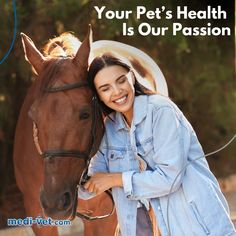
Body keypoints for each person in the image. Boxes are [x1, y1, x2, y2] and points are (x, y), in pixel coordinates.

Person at [78, 53, 236, 236]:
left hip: (193, 224)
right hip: (141, 227)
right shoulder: (109, 128)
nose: (117, 91)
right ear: (98, 96)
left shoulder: (161, 111)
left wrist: (115, 179)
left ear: (131, 76)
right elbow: (90, 185)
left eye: (121, 81)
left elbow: (170, 179)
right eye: (105, 88)